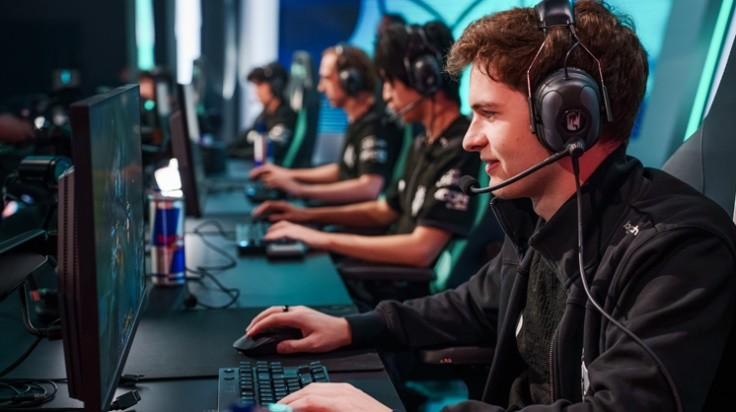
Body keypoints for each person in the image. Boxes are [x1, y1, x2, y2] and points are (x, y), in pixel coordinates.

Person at [245, 1, 736, 411]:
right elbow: (470, 305)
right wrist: (351, 328)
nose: (471, 138)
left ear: (569, 119)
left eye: (488, 114)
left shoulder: (680, 252)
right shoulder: (540, 216)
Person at [253, 22, 480, 275]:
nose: (386, 95)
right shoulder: (423, 142)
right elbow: (385, 210)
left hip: (402, 288)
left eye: (390, 83)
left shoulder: (460, 148)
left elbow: (421, 250)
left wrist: (323, 238)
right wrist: (305, 215)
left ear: (425, 80)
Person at [249, 46, 403, 204]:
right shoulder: (358, 120)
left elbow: (369, 188)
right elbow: (343, 170)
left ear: (350, 81)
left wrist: (300, 190)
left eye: (326, 79)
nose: (320, 87)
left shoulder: (375, 125)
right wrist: (288, 175)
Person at [230, 62, 297, 164]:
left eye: (260, 85)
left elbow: (267, 152)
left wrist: (233, 154)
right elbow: (242, 139)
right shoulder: (263, 116)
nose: (256, 92)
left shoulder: (286, 116)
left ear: (276, 86)